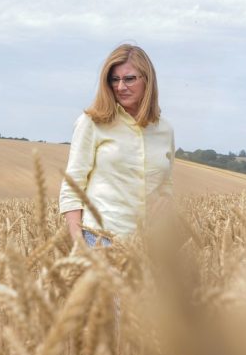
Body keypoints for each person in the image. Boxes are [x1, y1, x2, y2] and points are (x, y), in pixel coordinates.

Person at [59, 44, 175, 247]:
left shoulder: (164, 129)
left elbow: (166, 187)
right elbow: (73, 185)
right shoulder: (92, 122)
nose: (120, 87)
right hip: (101, 240)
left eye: (129, 79)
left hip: (151, 244)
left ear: (147, 80)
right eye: (114, 79)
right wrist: (79, 243)